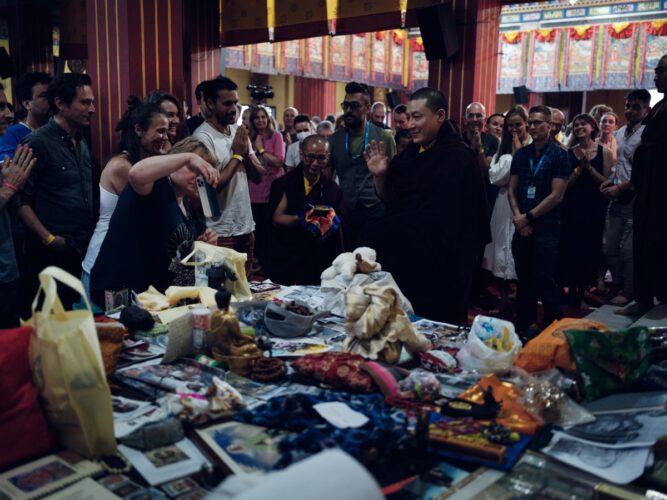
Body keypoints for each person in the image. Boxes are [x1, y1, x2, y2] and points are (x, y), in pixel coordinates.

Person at [366, 88, 490, 324]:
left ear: (440, 115)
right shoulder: (408, 156)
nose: (410, 124)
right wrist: (380, 176)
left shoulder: (460, 157)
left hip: (445, 265)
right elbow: (390, 200)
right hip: (407, 259)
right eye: (408, 117)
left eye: (418, 117)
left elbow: (471, 221)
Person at [90, 138, 220, 306]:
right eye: (192, 168)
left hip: (151, 297)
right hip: (121, 290)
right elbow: (135, 174)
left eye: (203, 172)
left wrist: (198, 245)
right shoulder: (156, 184)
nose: (197, 176)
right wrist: (189, 157)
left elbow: (171, 248)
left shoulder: (185, 202)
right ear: (173, 162)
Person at [19, 73, 96, 310]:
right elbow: (21, 202)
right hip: (50, 253)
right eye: (84, 102)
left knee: (78, 320)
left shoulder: (81, 140)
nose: (92, 109)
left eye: (92, 102)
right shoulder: (37, 142)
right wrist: (49, 238)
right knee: (50, 324)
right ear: (61, 104)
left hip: (80, 248)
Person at [81, 99, 169, 296]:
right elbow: (150, 208)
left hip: (125, 260)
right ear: (139, 129)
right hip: (104, 260)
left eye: (167, 131)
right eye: (160, 131)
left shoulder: (143, 162)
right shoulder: (123, 166)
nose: (165, 137)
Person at [193, 75, 265, 278]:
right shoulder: (202, 137)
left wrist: (245, 153)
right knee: (222, 295)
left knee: (245, 290)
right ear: (210, 104)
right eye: (227, 103)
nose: (234, 108)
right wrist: (237, 154)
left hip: (245, 226)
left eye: (235, 102)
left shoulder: (237, 131)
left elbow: (258, 176)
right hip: (219, 231)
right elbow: (209, 188)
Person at [508, 105, 570, 335]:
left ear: (550, 126)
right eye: (530, 122)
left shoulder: (560, 155)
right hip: (522, 223)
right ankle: (525, 324)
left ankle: (554, 324)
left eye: (537, 122)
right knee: (524, 278)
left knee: (544, 277)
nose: (532, 126)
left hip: (546, 226)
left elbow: (557, 195)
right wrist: (518, 218)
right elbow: (512, 191)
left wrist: (529, 217)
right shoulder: (522, 154)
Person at [618, 54, 667, 316]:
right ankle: (644, 297)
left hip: (662, 188)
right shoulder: (661, 106)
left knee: (657, 242)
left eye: (660, 71)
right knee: (643, 241)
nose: (655, 75)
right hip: (648, 186)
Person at [267, 135, 343, 285]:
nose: (315, 163)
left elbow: (337, 227)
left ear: (328, 158)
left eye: (321, 158)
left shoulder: (332, 189)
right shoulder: (285, 183)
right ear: (301, 154)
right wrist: (305, 217)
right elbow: (276, 219)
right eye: (310, 157)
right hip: (288, 251)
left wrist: (330, 222)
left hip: (317, 255)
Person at [330, 82, 396, 249]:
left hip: (375, 209)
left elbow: (394, 178)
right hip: (346, 211)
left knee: (369, 263)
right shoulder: (335, 139)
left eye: (354, 106)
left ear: (367, 108)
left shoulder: (384, 137)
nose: (349, 111)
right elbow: (328, 176)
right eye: (346, 105)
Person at [600, 89, 651, 307]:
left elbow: (644, 173)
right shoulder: (620, 133)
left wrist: (620, 187)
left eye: (636, 107)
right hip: (616, 195)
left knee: (629, 249)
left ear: (647, 110)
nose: (630, 110)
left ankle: (630, 292)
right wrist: (609, 180)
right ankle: (617, 285)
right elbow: (619, 164)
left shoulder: (648, 134)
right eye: (628, 106)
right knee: (609, 246)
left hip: (635, 197)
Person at [558, 114, 613, 306]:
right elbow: (564, 184)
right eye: (576, 124)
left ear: (592, 127)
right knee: (570, 247)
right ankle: (570, 289)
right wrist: (579, 169)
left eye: (583, 123)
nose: (579, 126)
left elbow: (606, 183)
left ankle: (581, 291)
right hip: (572, 206)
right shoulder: (568, 152)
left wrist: (589, 168)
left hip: (593, 206)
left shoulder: (604, 152)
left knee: (589, 248)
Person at [482, 107, 531, 311]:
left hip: (523, 203)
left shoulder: (531, 145)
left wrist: (517, 156)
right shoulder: (503, 146)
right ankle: (503, 299)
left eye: (518, 125)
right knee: (502, 249)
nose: (514, 129)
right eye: (510, 126)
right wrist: (513, 156)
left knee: (519, 252)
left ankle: (521, 302)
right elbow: (495, 176)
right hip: (503, 202)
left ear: (526, 123)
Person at [0, 145, 36, 327]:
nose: (8, 115)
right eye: (2, 112)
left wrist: (15, 192)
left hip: (8, 270)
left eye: (11, 113)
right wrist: (8, 188)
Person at [247, 105, 286, 275]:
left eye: (263, 117)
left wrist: (261, 149)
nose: (260, 120)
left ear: (268, 119)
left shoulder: (276, 136)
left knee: (270, 227)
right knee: (257, 229)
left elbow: (278, 161)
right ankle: (257, 263)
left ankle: (269, 265)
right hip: (253, 188)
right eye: (257, 117)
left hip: (273, 187)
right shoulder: (249, 137)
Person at [0, 72, 52, 158]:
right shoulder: (10, 133)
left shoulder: (59, 131)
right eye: (44, 96)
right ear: (27, 104)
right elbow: (8, 168)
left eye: (51, 95)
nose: (51, 100)